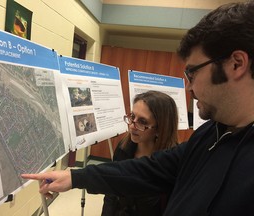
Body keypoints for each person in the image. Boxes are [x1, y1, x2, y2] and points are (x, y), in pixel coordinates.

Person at [22, 1, 254, 215]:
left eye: (192, 72)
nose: (188, 86)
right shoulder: (210, 133)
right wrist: (75, 177)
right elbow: (147, 170)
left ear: (236, 64)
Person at [102, 90, 178, 216]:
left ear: (160, 129)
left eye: (142, 122)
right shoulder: (123, 148)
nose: (132, 126)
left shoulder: (172, 163)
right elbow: (111, 192)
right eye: (132, 117)